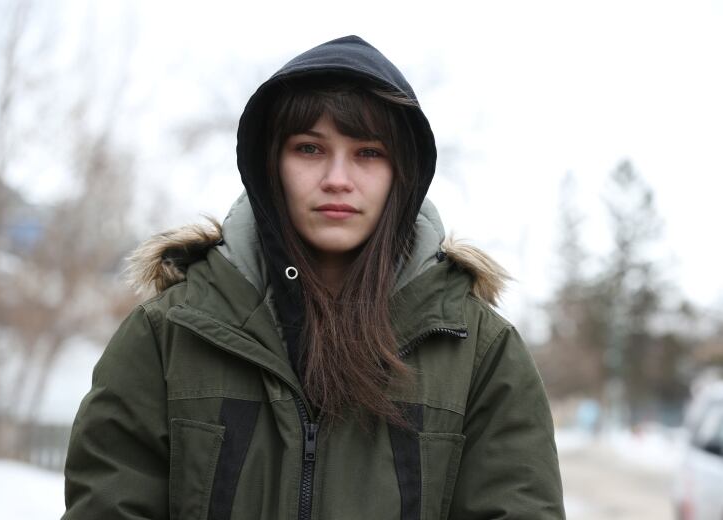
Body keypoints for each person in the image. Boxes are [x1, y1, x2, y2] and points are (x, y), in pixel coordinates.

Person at [63, 35, 565, 520]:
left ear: (402, 173)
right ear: (270, 164)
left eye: (368, 152)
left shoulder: (478, 351)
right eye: (309, 148)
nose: (337, 178)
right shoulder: (169, 335)